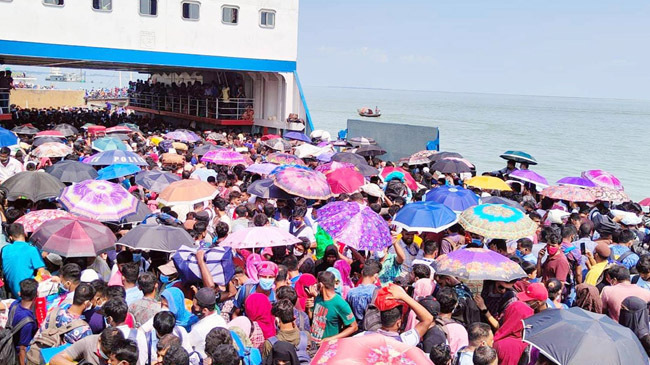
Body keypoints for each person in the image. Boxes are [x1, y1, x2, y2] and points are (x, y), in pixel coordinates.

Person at [310, 271, 357, 344]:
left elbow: (354, 327)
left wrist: (329, 339)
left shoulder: (340, 303)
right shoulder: (318, 298)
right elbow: (313, 318)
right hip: (314, 345)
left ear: (321, 285)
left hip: (329, 347)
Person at [2, 223, 45, 298]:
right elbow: (42, 272)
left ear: (10, 237)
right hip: (28, 293)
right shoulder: (32, 250)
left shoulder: (5, 250)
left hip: (13, 292)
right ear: (25, 234)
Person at [50, 327, 124, 365]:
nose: (108, 360)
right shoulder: (88, 342)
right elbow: (55, 360)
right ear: (99, 339)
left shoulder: (126, 351)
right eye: (105, 352)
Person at [188, 287, 226, 358]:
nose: (192, 308)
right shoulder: (221, 320)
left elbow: (188, 346)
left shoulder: (198, 329)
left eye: (195, 307)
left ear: (205, 310)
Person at [10, 278, 38, 365]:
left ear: (20, 293)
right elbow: (22, 349)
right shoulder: (28, 323)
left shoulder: (14, 305)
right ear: (36, 294)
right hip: (19, 352)